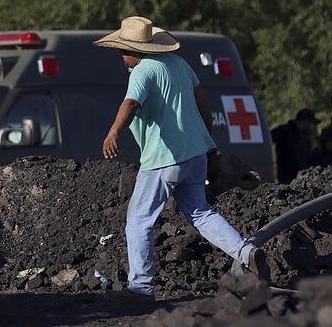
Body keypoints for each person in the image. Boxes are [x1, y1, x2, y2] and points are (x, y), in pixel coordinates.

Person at [96, 16, 268, 303]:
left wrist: (114, 132)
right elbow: (202, 102)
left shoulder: (142, 71)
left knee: (139, 221)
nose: (120, 55)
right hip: (195, 155)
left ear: (134, 50)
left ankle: (140, 289)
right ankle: (245, 252)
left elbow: (130, 104)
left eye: (122, 49)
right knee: (200, 212)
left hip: (164, 158)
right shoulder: (179, 64)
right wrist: (209, 143)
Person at [271, 108, 321, 183]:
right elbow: (267, 140)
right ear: (303, 122)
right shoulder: (284, 131)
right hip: (286, 180)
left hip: (302, 180)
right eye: (310, 124)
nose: (312, 127)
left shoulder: (305, 138)